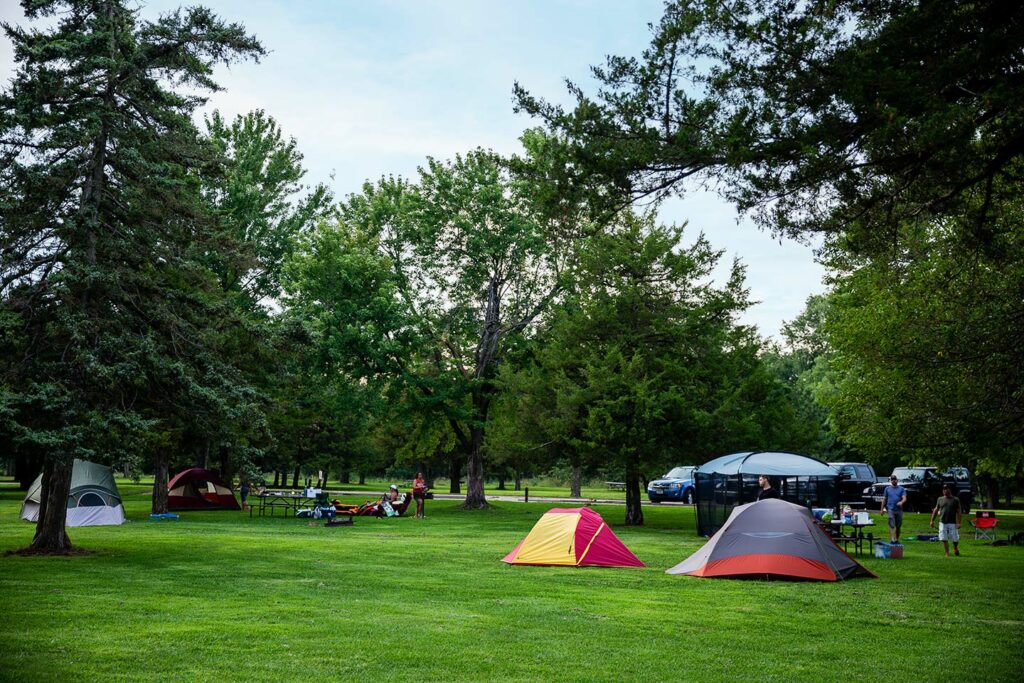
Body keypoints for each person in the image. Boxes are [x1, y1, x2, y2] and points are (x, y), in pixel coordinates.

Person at [929, 484, 962, 557]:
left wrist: (959, 523)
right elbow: (936, 510)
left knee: (955, 539)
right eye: (943, 489)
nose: (944, 490)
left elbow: (959, 511)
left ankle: (955, 547)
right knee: (943, 537)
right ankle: (947, 552)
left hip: (952, 522)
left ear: (950, 490)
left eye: (946, 489)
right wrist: (932, 521)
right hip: (942, 522)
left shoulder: (955, 500)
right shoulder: (940, 499)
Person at [880, 474, 907, 542]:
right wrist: (882, 509)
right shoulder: (887, 489)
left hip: (899, 510)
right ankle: (892, 539)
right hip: (890, 509)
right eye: (892, 480)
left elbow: (904, 498)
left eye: (895, 480)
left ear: (897, 480)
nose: (893, 481)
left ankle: (897, 539)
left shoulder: (901, 489)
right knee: (891, 524)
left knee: (898, 526)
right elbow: (884, 499)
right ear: (891, 481)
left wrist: (901, 502)